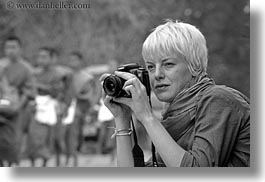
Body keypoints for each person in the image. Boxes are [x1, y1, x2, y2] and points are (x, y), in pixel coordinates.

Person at [100, 20, 250, 167]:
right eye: (151, 67)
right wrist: (122, 119)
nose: (157, 74)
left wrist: (147, 117)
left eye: (168, 64)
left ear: (195, 66)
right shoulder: (174, 115)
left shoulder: (219, 100)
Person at [0, 36, 35, 166]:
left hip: (18, 110)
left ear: (20, 49)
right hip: (1, 109)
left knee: (14, 141)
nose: (11, 51)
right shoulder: (1, 66)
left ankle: (12, 168)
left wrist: (17, 108)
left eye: (14, 47)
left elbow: (29, 91)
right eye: (8, 47)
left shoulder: (26, 69)